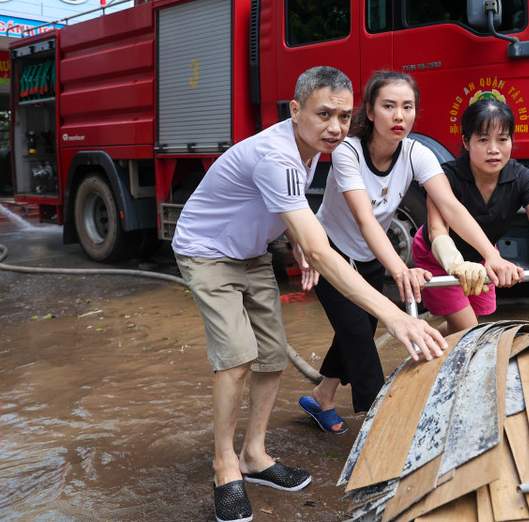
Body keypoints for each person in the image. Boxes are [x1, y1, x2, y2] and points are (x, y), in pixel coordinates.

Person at [171, 66, 447, 522]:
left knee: (273, 354)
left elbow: (291, 207)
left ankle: (254, 456)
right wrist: (397, 316)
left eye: (343, 116)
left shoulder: (315, 147)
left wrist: (294, 239)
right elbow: (322, 251)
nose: (336, 127)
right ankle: (225, 465)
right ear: (295, 110)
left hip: (253, 249)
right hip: (207, 251)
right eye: (323, 114)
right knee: (238, 358)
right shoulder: (276, 156)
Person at [298, 71, 521, 435]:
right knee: (359, 339)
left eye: (407, 106)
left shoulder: (418, 153)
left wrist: (489, 255)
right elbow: (366, 220)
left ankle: (322, 397)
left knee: (357, 330)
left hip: (370, 258)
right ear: (370, 111)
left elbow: (450, 206)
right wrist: (402, 270)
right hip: (332, 251)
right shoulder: (347, 152)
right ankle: (385, 429)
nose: (399, 115)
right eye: (389, 106)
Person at [413, 98, 529, 335]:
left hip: (483, 254)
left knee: (468, 320)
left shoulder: (523, 178)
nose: (494, 149)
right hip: (439, 257)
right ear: (466, 142)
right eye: (483, 139)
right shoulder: (446, 177)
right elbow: (437, 231)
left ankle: (428, 344)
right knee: (470, 329)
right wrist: (457, 265)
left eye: (502, 139)